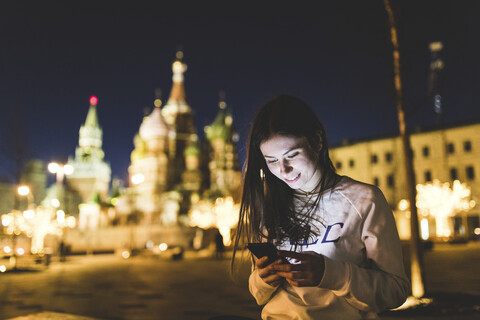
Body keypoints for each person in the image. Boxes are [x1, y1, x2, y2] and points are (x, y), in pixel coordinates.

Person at [232, 95, 409, 319]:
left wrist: (332, 274)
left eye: (292, 155)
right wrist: (263, 279)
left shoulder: (364, 200)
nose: (283, 170)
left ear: (317, 141)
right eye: (272, 160)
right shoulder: (269, 206)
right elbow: (258, 295)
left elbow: (395, 291)